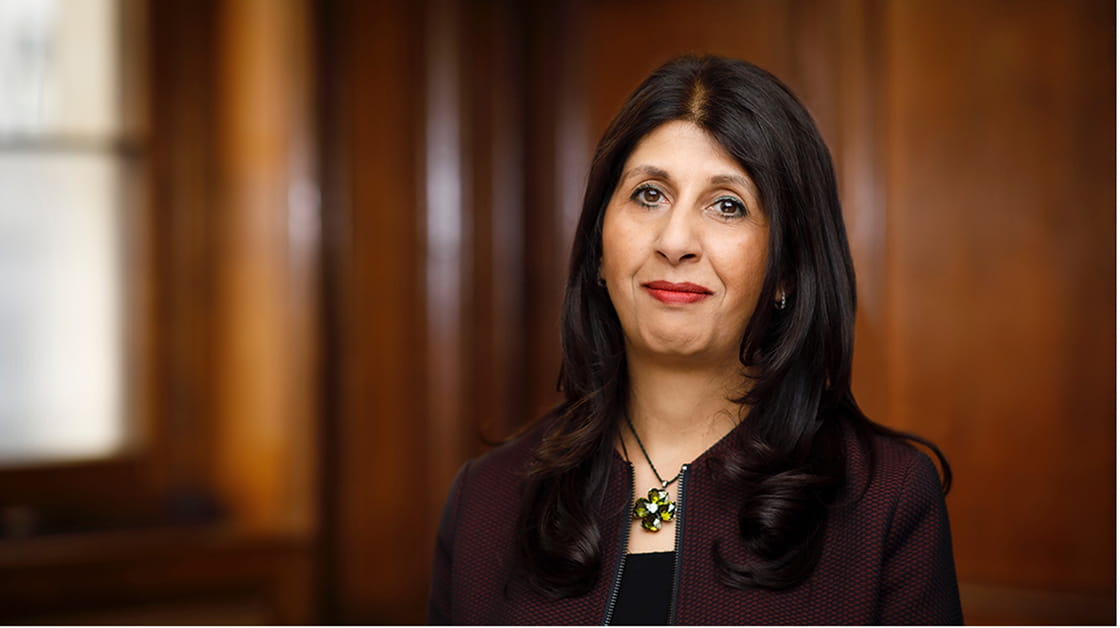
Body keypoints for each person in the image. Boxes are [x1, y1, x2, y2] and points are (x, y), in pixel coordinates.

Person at [427, 55, 962, 625]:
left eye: (728, 205)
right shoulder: (485, 500)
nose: (675, 240)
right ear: (599, 249)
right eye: (649, 195)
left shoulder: (886, 502)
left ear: (787, 268)